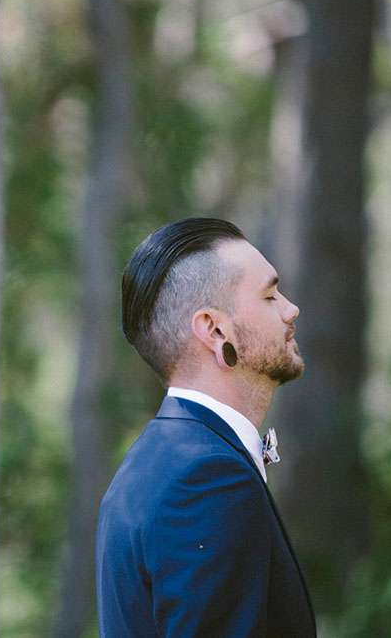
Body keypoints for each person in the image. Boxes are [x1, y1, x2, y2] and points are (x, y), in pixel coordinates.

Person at [96, 218, 316, 637]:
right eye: (270, 296)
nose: (291, 309)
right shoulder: (208, 478)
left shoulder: (159, 459)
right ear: (215, 330)